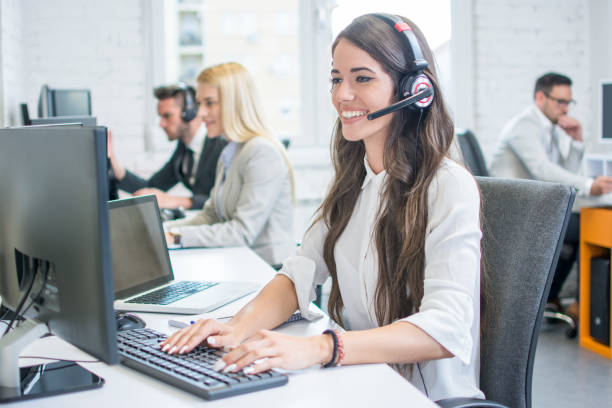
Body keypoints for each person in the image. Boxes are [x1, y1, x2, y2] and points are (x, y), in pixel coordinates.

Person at [161, 14, 484, 402]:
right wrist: (236, 328)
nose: (341, 95)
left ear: (415, 90)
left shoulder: (447, 186)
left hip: (420, 395)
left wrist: (323, 347)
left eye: (361, 78)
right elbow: (299, 274)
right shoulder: (353, 183)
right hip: (362, 379)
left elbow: (446, 326)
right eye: (336, 79)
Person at [489, 72, 612, 320]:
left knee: (576, 230)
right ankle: (581, 306)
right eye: (560, 102)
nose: (565, 109)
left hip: (536, 209)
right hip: (516, 214)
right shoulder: (524, 126)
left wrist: (576, 141)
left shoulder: (551, 127)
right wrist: (589, 185)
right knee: (586, 226)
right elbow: (543, 171)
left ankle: (549, 297)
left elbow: (563, 173)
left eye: (569, 102)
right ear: (540, 97)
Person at [164, 62, 295, 267]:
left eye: (209, 103)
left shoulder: (261, 152)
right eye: (199, 104)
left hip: (270, 271)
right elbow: (211, 215)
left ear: (235, 103)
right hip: (242, 264)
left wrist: (176, 236)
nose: (201, 113)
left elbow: (242, 232)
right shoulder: (231, 151)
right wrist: (164, 230)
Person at [108, 84, 227, 209]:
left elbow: (226, 201)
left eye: (167, 116)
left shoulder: (221, 145)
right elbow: (152, 188)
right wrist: (114, 163)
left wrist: (177, 201)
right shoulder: (184, 149)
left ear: (190, 113)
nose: (161, 124)